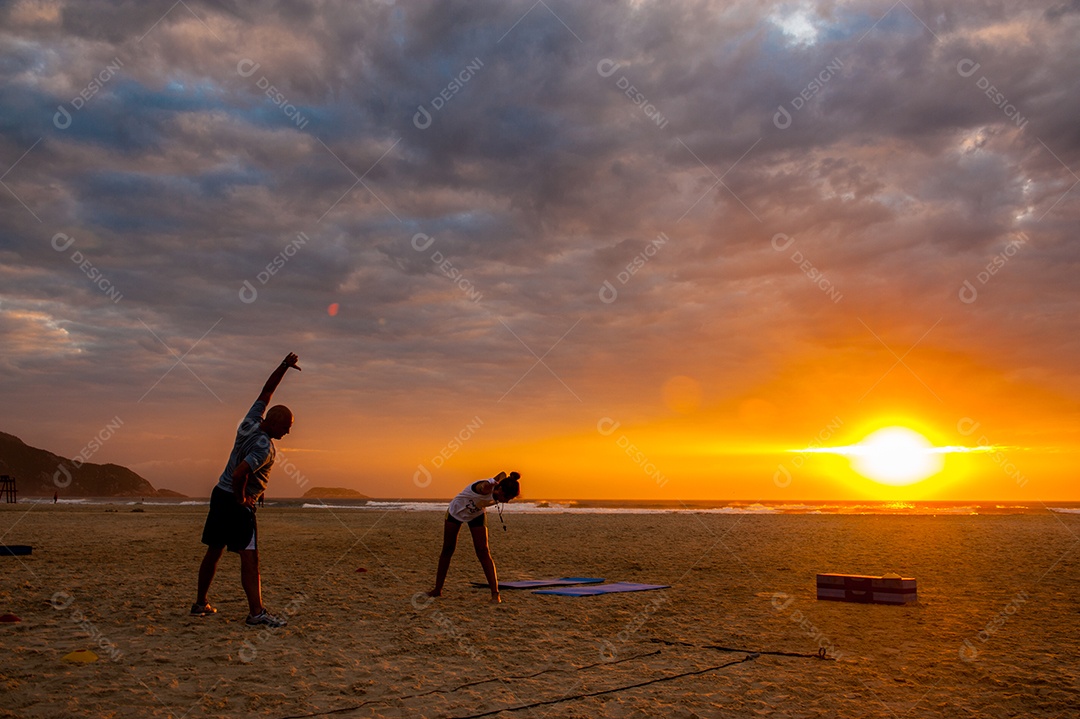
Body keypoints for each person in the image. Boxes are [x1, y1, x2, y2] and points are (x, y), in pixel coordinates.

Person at [191, 353, 300, 627]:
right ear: (274, 424)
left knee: (214, 550)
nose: (287, 433)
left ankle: (200, 603)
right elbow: (241, 471)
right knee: (250, 558)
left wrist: (284, 366)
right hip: (235, 503)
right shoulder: (264, 445)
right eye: (286, 428)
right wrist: (242, 498)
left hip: (219, 493)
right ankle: (256, 613)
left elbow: (267, 390)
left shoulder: (249, 421)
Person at [427, 471, 521, 603]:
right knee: (448, 549)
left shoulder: (499, 488)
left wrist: (499, 479)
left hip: (476, 514)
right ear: (499, 489)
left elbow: (503, 474)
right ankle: (437, 589)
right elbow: (483, 487)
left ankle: (495, 593)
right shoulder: (484, 488)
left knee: (483, 551)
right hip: (456, 512)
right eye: (506, 497)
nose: (506, 501)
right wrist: (491, 482)